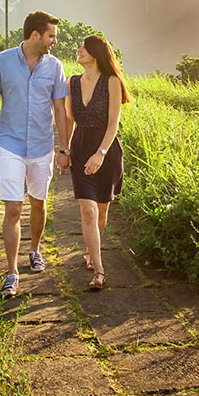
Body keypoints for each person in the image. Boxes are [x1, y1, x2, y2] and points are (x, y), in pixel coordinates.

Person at [0, 10, 70, 298]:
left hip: (42, 146)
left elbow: (60, 109)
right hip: (10, 144)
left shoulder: (55, 67)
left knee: (38, 203)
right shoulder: (2, 61)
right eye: (52, 35)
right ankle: (11, 272)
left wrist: (64, 148)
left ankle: (34, 249)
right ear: (35, 35)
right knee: (14, 208)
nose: (55, 40)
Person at [63, 33, 131, 290]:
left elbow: (113, 123)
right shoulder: (73, 82)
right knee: (88, 210)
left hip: (107, 151)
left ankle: (92, 252)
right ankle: (99, 272)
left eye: (84, 47)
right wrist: (65, 151)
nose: (79, 50)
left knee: (101, 211)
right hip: (81, 148)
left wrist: (100, 153)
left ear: (96, 53)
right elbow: (69, 120)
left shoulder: (112, 81)